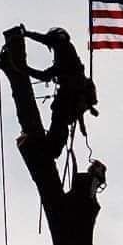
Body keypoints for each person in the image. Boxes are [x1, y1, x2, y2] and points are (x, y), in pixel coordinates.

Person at [19, 26, 98, 159]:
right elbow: (44, 40)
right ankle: (51, 148)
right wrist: (27, 34)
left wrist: (24, 69)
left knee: (59, 120)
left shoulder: (64, 50)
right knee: (60, 121)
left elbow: (46, 74)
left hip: (70, 98)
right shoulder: (65, 49)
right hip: (73, 99)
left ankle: (51, 149)